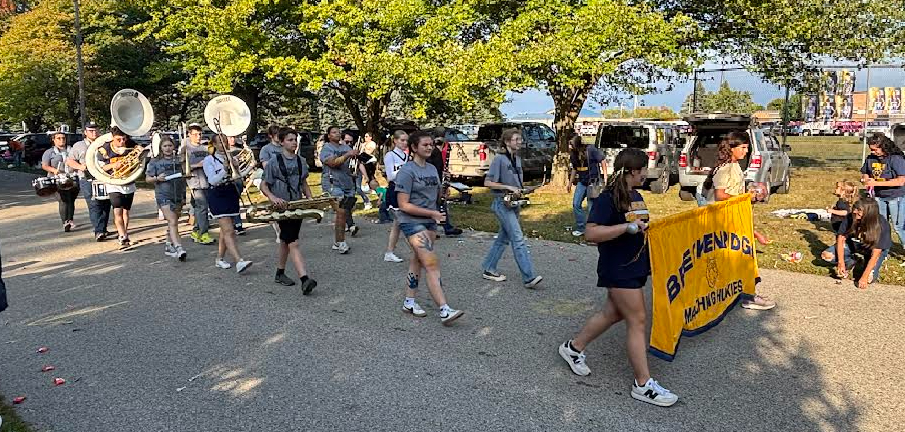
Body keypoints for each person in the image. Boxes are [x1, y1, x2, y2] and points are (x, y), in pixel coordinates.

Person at [558, 147, 678, 408]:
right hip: (617, 268)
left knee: (612, 314)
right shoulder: (607, 199)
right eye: (643, 169)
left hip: (634, 266)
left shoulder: (635, 195)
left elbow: (640, 226)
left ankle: (573, 348)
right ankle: (643, 384)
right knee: (638, 320)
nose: (646, 173)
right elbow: (591, 233)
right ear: (633, 171)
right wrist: (627, 227)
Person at [396, 131, 464, 325]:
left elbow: (434, 198)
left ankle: (409, 302)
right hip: (411, 221)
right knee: (432, 263)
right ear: (414, 148)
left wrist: (444, 192)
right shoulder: (407, 171)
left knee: (418, 261)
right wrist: (432, 213)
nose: (429, 147)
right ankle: (444, 309)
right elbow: (403, 204)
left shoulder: (433, 169)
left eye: (431, 144)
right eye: (425, 144)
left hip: (429, 221)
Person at [704, 131, 775, 310]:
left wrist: (756, 233)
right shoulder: (725, 168)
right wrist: (744, 198)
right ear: (732, 148)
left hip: (736, 219)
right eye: (742, 148)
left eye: (747, 148)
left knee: (741, 261)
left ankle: (745, 294)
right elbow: (720, 195)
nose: (745, 151)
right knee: (739, 261)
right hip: (723, 222)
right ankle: (746, 296)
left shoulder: (736, 167)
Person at [481, 128, 543, 288]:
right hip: (502, 203)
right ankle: (529, 277)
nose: (520, 142)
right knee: (518, 238)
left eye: (520, 139)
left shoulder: (517, 159)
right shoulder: (500, 159)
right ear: (507, 142)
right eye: (516, 139)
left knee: (503, 239)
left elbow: (515, 183)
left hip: (513, 203)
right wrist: (508, 186)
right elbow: (487, 182)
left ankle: (488, 268)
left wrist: (523, 189)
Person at [259, 128, 318, 294]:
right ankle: (304, 279)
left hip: (296, 205)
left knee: (286, 240)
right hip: (281, 208)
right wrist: (273, 198)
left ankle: (280, 273)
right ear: (282, 142)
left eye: (295, 139)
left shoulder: (301, 161)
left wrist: (310, 198)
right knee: (294, 242)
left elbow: (303, 183)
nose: (294, 142)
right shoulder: (274, 162)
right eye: (290, 139)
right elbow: (264, 185)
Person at [203, 135, 252, 273]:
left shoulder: (231, 157)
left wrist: (249, 167)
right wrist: (225, 169)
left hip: (230, 192)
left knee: (225, 231)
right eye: (220, 143)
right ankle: (239, 261)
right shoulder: (209, 160)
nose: (223, 145)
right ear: (213, 144)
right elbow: (212, 180)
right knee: (230, 230)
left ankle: (219, 258)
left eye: (225, 142)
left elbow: (239, 175)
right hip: (218, 194)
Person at [823, 198, 890, 289]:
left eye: (859, 210)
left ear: (869, 213)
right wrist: (841, 262)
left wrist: (864, 277)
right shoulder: (851, 217)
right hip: (855, 245)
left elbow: (875, 254)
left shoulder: (881, 224)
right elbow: (841, 238)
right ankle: (851, 262)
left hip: (873, 250)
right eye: (855, 208)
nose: (855, 211)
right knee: (827, 255)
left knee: (869, 279)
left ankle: (866, 264)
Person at [67, 123, 111, 241]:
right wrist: (81, 167)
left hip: (104, 177)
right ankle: (98, 231)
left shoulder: (105, 144)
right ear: (85, 132)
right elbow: (70, 161)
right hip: (87, 179)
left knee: (106, 204)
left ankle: (103, 228)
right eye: (90, 130)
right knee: (94, 204)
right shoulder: (78, 145)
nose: (94, 132)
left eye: (96, 130)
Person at [145, 138, 187, 261]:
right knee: (173, 220)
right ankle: (179, 247)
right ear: (161, 147)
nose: (168, 148)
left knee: (173, 222)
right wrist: (157, 178)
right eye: (165, 146)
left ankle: (169, 244)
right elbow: (148, 179)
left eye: (170, 145)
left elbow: (184, 176)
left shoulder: (178, 160)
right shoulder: (155, 161)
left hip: (178, 194)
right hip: (163, 195)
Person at [860, 133, 905, 246]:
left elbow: (901, 181)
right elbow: (865, 172)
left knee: (898, 226)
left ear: (883, 147)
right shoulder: (871, 158)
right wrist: (865, 179)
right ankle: (882, 249)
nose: (873, 152)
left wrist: (875, 182)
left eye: (875, 149)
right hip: (879, 197)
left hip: (896, 196)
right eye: (871, 149)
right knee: (881, 224)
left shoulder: (895, 159)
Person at [95, 127, 138, 246]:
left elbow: (140, 158)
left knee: (126, 211)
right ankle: (122, 235)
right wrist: (114, 165)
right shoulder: (105, 148)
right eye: (118, 139)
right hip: (113, 183)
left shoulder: (131, 144)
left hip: (128, 181)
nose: (122, 142)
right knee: (117, 210)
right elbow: (100, 167)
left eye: (124, 139)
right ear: (112, 138)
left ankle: (125, 233)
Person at [320, 125, 358, 254]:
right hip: (332, 183)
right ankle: (341, 242)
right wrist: (348, 154)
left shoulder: (345, 147)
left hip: (347, 183)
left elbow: (350, 163)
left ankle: (337, 241)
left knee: (345, 211)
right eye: (334, 132)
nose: (337, 134)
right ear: (329, 135)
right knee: (341, 211)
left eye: (339, 132)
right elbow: (333, 163)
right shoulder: (326, 148)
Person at [180, 124, 215, 245]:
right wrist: (197, 165)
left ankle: (196, 231)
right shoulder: (186, 148)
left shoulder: (205, 148)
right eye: (195, 134)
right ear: (189, 134)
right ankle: (204, 233)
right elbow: (182, 167)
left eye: (200, 134)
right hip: (195, 181)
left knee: (197, 207)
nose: (198, 137)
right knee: (203, 207)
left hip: (206, 180)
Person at [428, 127, 463, 237]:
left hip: (440, 176)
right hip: (433, 178)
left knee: (440, 203)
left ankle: (446, 227)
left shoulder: (446, 147)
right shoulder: (432, 149)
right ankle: (433, 229)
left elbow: (442, 164)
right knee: (433, 204)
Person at [568, 134, 606, 237]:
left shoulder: (591, 150)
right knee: (576, 204)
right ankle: (581, 228)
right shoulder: (573, 154)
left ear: (576, 144)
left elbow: (602, 161)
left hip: (593, 182)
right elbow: (574, 169)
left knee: (591, 207)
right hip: (582, 182)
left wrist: (605, 178)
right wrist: (570, 183)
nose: (569, 146)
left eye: (571, 144)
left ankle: (593, 230)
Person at [41, 132, 79, 232]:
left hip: (71, 178)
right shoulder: (49, 152)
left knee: (71, 200)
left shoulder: (71, 150)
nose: (62, 140)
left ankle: (70, 220)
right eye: (59, 138)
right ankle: (65, 222)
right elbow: (44, 165)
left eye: (63, 138)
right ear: (53, 140)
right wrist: (54, 171)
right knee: (63, 200)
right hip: (56, 179)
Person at [381, 130, 409, 263]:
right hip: (395, 190)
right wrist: (405, 170)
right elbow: (391, 176)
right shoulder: (389, 155)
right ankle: (419, 253)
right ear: (395, 141)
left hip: (406, 191)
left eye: (406, 140)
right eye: (402, 140)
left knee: (397, 224)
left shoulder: (406, 156)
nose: (404, 143)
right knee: (405, 223)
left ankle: (389, 252)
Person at [258, 125, 284, 242]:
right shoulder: (266, 149)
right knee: (275, 207)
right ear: (270, 136)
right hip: (272, 180)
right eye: (276, 134)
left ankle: (285, 230)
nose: (278, 137)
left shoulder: (285, 147)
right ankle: (278, 232)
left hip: (285, 181)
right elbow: (266, 165)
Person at [342, 132, 366, 233]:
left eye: (351, 142)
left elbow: (359, 163)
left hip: (352, 178)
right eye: (346, 142)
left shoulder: (353, 151)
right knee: (343, 204)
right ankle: (350, 225)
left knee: (349, 203)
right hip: (340, 181)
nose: (349, 145)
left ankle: (347, 223)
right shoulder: (337, 151)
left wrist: (366, 176)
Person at [227, 135, 246, 235]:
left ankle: (236, 224)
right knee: (231, 202)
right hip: (228, 179)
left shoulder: (239, 150)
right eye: (230, 137)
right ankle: (237, 224)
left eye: (234, 137)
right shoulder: (223, 152)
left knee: (235, 201)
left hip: (238, 178)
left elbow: (244, 164)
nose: (232, 139)